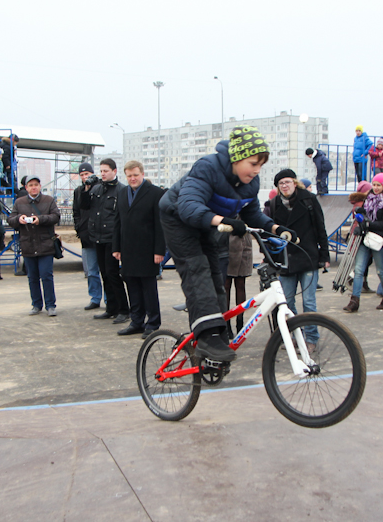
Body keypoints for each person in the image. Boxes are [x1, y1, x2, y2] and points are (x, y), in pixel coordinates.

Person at [158, 125, 296, 362]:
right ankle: (207, 337)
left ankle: (219, 333)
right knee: (197, 269)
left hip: (206, 223)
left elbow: (253, 215)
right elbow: (189, 206)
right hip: (178, 219)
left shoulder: (249, 184)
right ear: (236, 157)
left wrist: (276, 228)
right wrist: (226, 221)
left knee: (215, 276)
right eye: (253, 163)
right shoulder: (207, 167)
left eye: (260, 165)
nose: (257, 170)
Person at [269, 169, 330, 336]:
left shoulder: (309, 200)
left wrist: (324, 255)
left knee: (309, 302)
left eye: (287, 182)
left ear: (294, 183)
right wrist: (272, 260)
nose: (285, 186)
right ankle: (296, 336)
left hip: (308, 256)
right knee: (286, 302)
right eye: (281, 183)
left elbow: (320, 227)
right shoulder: (275, 204)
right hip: (287, 260)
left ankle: (311, 338)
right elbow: (271, 235)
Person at [112, 160, 165, 338]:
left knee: (148, 288)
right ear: (125, 176)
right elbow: (117, 222)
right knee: (132, 287)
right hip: (127, 250)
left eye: (135, 175)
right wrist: (116, 247)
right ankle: (136, 321)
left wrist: (159, 250)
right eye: (129, 176)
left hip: (148, 250)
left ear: (142, 174)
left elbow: (160, 224)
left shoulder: (155, 193)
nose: (132, 178)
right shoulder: (122, 193)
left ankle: (153, 322)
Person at [80, 159, 130, 324]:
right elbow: (84, 206)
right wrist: (86, 189)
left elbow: (123, 217)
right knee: (104, 275)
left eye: (106, 171)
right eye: (101, 171)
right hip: (98, 237)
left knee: (113, 274)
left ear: (114, 171)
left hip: (112, 238)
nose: (102, 174)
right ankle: (111, 308)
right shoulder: (96, 188)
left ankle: (124, 309)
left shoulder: (121, 190)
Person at [9, 175, 61, 316]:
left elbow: (56, 217)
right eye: (30, 185)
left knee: (46, 276)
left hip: (45, 244)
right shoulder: (19, 202)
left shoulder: (48, 200)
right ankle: (36, 304)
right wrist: (19, 219)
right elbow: (10, 219)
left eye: (36, 185)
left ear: (40, 186)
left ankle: (50, 305)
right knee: (32, 277)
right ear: (26, 188)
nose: (33, 187)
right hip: (28, 245)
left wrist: (40, 219)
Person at [344, 173, 383, 312]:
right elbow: (362, 217)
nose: (376, 188)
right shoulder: (367, 199)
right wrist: (360, 215)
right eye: (374, 185)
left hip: (378, 241)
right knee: (359, 270)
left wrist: (368, 224)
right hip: (364, 239)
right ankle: (354, 300)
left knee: (380, 271)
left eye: (379, 185)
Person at [72, 162, 103, 310]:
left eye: (87, 174)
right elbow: (76, 212)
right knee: (91, 271)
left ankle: (110, 299)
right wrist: (79, 228)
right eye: (82, 175)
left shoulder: (101, 187)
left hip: (102, 234)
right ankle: (95, 297)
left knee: (106, 270)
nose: (85, 177)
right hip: (86, 235)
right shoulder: (79, 191)